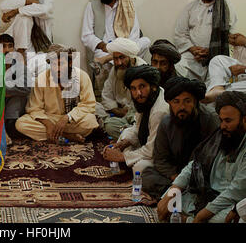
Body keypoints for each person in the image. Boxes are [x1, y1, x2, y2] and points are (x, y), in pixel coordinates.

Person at [157, 91, 246, 223]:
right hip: (206, 193)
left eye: (228, 121)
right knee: (168, 199)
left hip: (232, 202)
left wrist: (203, 215)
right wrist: (173, 191)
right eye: (221, 120)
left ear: (244, 120)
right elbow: (195, 164)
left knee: (226, 219)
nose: (222, 126)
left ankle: (187, 220)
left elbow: (237, 191)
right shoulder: (223, 135)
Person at [142, 77, 219, 200]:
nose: (181, 107)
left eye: (187, 101)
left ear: (195, 102)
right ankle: (183, 196)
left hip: (202, 175)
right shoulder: (166, 123)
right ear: (169, 103)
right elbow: (160, 159)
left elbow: (212, 159)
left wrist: (185, 181)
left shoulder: (210, 120)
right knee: (147, 176)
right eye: (176, 102)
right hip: (176, 173)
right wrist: (176, 177)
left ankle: (177, 197)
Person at [81, 0, 150, 99]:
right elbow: (86, 35)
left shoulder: (128, 6)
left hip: (125, 48)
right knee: (120, 57)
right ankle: (112, 58)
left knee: (145, 40)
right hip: (103, 50)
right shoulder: (92, 5)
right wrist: (104, 46)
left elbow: (134, 35)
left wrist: (122, 49)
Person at [16, 44, 99, 143]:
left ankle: (53, 134)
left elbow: (88, 104)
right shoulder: (42, 79)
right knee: (21, 124)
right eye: (54, 64)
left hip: (72, 120)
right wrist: (48, 124)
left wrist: (67, 117)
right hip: (50, 118)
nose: (57, 68)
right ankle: (67, 135)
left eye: (61, 64)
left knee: (90, 121)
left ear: (69, 63)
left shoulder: (81, 76)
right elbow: (34, 108)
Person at [174, 0, 238, 83]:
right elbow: (180, 33)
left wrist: (211, 51)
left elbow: (231, 36)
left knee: (217, 80)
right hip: (194, 56)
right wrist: (193, 49)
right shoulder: (191, 8)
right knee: (179, 65)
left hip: (218, 54)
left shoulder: (226, 7)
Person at [102, 65, 169, 174]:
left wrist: (122, 156)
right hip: (148, 143)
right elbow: (137, 127)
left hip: (161, 153)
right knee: (126, 133)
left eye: (142, 87)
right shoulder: (146, 98)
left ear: (153, 86)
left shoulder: (160, 111)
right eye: (133, 88)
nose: (138, 93)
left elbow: (151, 150)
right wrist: (124, 143)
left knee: (139, 168)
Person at [0, 0, 53, 78]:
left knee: (24, 17)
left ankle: (21, 63)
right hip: (15, 50)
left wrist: (16, 11)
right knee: (24, 18)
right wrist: (26, 1)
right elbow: (2, 6)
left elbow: (44, 10)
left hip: (38, 51)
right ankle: (20, 56)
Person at [96, 38, 147, 140]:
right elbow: (106, 94)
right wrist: (117, 111)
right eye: (115, 59)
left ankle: (123, 133)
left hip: (135, 116)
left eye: (122, 58)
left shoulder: (142, 70)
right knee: (94, 106)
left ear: (131, 57)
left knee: (134, 123)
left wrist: (127, 114)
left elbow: (142, 102)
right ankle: (114, 128)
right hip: (117, 113)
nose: (118, 62)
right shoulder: (116, 69)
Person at [0, 34, 32, 144]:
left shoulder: (20, 67)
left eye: (10, 46)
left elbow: (26, 88)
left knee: (12, 127)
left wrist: (2, 91)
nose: (7, 50)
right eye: (3, 46)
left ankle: (5, 129)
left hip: (14, 110)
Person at [203, 32, 246, 103]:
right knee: (218, 60)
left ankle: (218, 91)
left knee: (227, 90)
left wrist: (244, 69)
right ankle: (217, 87)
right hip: (239, 77)